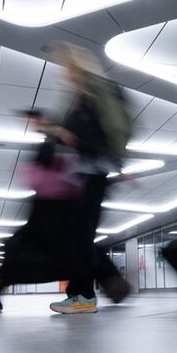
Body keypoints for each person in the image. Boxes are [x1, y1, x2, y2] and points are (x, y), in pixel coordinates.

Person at [46, 43, 132, 315]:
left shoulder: (92, 91)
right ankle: (85, 293)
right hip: (90, 171)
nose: (64, 74)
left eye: (66, 68)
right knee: (79, 235)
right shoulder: (87, 93)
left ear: (75, 67)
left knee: (79, 236)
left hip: (93, 171)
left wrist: (67, 133)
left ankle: (83, 295)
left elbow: (103, 130)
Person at [0, 111, 80, 311]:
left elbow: (50, 170)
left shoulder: (56, 144)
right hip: (49, 210)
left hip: (51, 210)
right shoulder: (52, 145)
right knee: (34, 254)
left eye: (34, 120)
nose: (32, 124)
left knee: (35, 253)